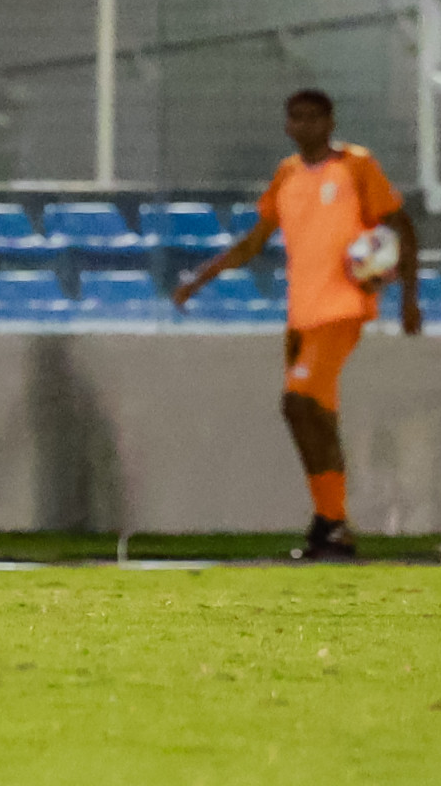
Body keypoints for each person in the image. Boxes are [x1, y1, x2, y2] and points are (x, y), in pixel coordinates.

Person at [172, 88, 420, 561]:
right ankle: (331, 524)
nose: (304, 125)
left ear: (330, 122)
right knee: (309, 414)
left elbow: (401, 226)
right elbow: (254, 241)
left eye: (313, 117)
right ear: (287, 125)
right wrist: (198, 279)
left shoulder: (356, 165)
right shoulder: (287, 174)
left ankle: (332, 522)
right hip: (301, 315)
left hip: (342, 309)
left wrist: (409, 298)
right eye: (296, 118)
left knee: (298, 401)